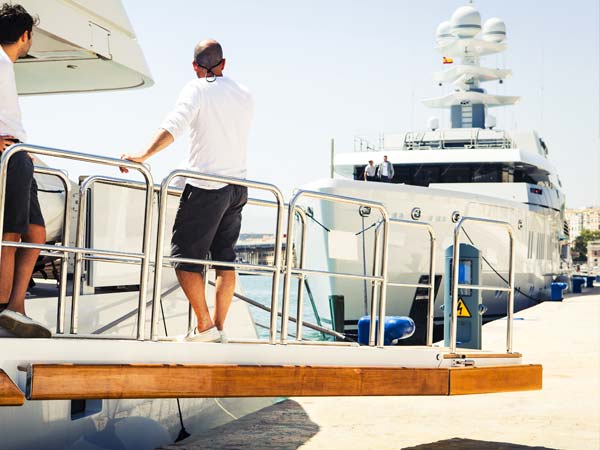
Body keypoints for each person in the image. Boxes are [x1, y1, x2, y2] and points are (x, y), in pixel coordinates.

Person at [120, 39, 253, 343]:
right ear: (224, 63)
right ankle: (218, 329)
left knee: (183, 260)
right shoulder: (244, 94)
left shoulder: (197, 89)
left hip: (207, 187)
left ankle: (205, 326)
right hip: (238, 188)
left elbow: (174, 126)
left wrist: (142, 155)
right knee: (224, 260)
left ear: (195, 66)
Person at [0, 3, 50, 338]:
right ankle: (4, 304)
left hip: (19, 155)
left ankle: (16, 306)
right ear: (25, 35)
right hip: (10, 158)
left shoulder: (5, 64)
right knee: (11, 232)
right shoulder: (0, 62)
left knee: (36, 232)